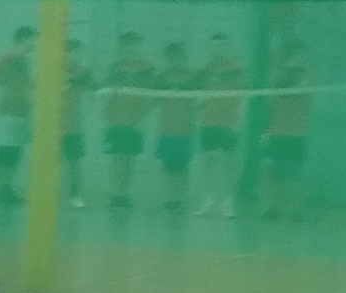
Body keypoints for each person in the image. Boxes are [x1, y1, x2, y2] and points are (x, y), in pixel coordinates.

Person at [257, 40, 316, 222]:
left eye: (301, 56)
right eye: (295, 55)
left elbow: (299, 90)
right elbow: (269, 103)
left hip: (297, 133)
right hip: (275, 132)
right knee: (270, 172)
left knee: (295, 174)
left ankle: (296, 209)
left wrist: (284, 86)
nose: (298, 59)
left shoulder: (308, 77)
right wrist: (265, 131)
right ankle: (271, 207)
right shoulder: (277, 77)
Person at [194, 36, 249, 220]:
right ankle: (209, 201)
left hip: (229, 123)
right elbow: (198, 96)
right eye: (213, 47)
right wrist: (199, 114)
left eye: (220, 46)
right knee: (207, 162)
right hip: (208, 123)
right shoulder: (205, 70)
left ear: (226, 48)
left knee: (229, 163)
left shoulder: (237, 68)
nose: (216, 50)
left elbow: (244, 96)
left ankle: (228, 202)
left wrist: (238, 120)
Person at [0, 24, 37, 205]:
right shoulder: (11, 56)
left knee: (16, 151)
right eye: (32, 39)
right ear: (23, 39)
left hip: (24, 109)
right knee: (5, 150)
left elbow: (26, 83)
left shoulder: (26, 61)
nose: (35, 43)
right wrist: (10, 86)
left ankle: (6, 188)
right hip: (10, 110)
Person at [97, 33, 152, 213]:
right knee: (116, 158)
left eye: (134, 45)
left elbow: (150, 98)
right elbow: (106, 94)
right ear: (122, 48)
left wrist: (142, 119)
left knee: (129, 159)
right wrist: (106, 119)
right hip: (115, 121)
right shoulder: (114, 69)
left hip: (134, 122)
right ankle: (116, 193)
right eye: (127, 45)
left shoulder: (147, 69)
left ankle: (125, 193)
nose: (131, 49)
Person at [150, 39, 200, 211]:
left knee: (182, 168)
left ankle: (180, 199)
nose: (175, 61)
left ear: (183, 57)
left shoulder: (192, 77)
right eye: (171, 58)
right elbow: (152, 101)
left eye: (178, 57)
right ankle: (170, 198)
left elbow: (199, 102)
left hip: (185, 130)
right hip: (166, 130)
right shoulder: (161, 78)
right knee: (168, 167)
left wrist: (193, 122)